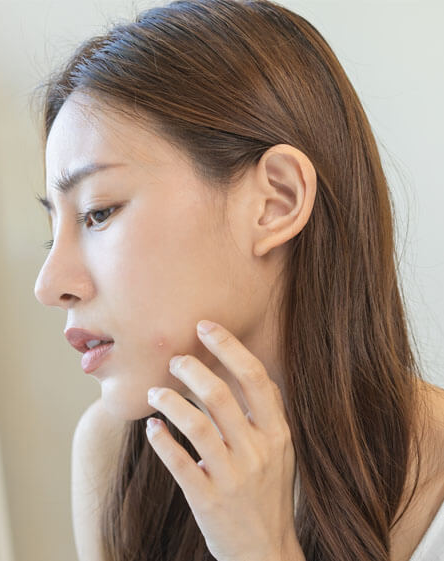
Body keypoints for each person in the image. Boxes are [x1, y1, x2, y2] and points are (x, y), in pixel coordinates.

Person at [33, 1, 444, 560]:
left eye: (99, 212)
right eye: (51, 231)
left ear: (277, 201)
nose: (50, 283)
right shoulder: (116, 456)